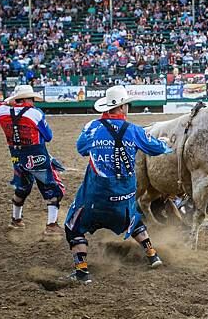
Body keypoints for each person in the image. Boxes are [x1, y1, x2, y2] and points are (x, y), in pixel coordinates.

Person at [64, 86, 172, 284]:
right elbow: (158, 148)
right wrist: (164, 143)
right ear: (122, 107)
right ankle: (152, 255)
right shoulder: (134, 131)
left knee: (73, 226)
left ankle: (82, 272)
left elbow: (81, 148)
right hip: (124, 193)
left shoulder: (92, 127)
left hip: (96, 194)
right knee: (133, 217)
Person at [0, 85, 65, 234]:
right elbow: (48, 136)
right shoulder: (35, 113)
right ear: (26, 99)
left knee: (22, 187)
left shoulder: (2, 112)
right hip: (36, 156)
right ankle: (52, 225)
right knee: (51, 188)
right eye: (31, 98)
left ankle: (16, 220)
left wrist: (8, 102)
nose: (33, 101)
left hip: (17, 156)